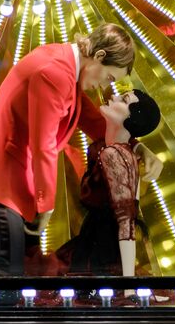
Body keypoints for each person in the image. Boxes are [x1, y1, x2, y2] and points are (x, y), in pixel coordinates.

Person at [0, 24, 136, 276]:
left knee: (11, 273)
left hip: (4, 180)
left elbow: (89, 117)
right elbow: (44, 145)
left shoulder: (65, 65)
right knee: (6, 275)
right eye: (109, 78)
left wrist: (135, 146)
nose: (103, 86)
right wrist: (46, 204)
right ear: (100, 56)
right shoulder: (55, 73)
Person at [60, 89, 163, 297]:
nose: (112, 95)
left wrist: (128, 284)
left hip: (102, 246)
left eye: (123, 99)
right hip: (95, 238)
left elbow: (127, 221)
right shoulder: (106, 149)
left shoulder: (113, 154)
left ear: (132, 118)